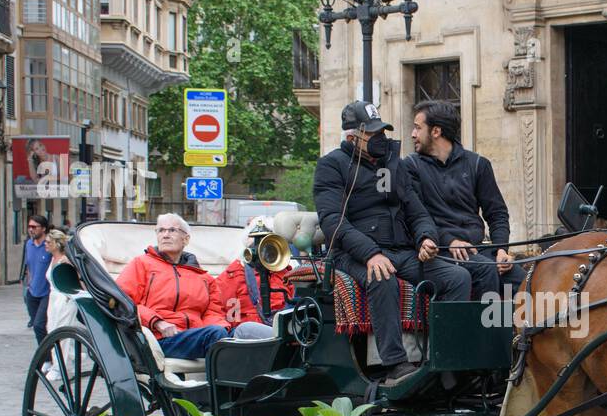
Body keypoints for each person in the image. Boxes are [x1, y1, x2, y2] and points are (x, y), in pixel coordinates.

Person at [314, 100, 471, 386]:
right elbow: (333, 222)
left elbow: (417, 210)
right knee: (382, 276)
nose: (381, 140)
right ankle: (395, 364)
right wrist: (371, 253)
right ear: (352, 138)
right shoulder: (331, 166)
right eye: (373, 135)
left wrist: (426, 238)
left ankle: (447, 360)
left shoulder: (393, 165)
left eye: (382, 133)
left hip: (402, 251)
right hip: (353, 255)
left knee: (457, 277)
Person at [403, 99, 522, 301]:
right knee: (485, 271)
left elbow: (497, 214)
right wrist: (450, 241)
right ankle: (485, 332)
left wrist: (502, 250)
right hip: (439, 250)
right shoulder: (410, 167)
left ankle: (519, 332)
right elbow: (416, 216)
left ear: (436, 131)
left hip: (478, 249)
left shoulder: (478, 164)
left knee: (524, 279)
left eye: (417, 128)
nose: (413, 134)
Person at [116, 214, 269, 360]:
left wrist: (223, 328)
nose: (165, 234)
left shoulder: (203, 277)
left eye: (172, 230)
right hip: (160, 337)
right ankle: (227, 387)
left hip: (198, 335)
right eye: (161, 230)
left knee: (247, 329)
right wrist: (157, 322)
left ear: (186, 239)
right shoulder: (141, 264)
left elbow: (213, 312)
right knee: (216, 335)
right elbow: (122, 301)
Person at [215, 222, 295, 335]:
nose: (264, 252)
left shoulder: (285, 273)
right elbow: (221, 310)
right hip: (250, 337)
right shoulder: (233, 275)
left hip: (284, 331)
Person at [42, 229, 78, 382]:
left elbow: (75, 278)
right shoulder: (51, 259)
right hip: (53, 298)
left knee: (61, 333)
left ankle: (60, 367)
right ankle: (73, 357)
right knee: (51, 330)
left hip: (65, 299)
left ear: (57, 244)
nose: (46, 245)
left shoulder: (65, 260)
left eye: (49, 242)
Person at [21, 214, 52, 342]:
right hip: (32, 292)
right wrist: (27, 282)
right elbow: (28, 265)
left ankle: (48, 358)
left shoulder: (50, 245)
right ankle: (48, 354)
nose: (30, 229)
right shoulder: (28, 244)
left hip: (47, 292)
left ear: (43, 228)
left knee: (40, 325)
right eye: (29, 226)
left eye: (34, 226)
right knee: (36, 325)